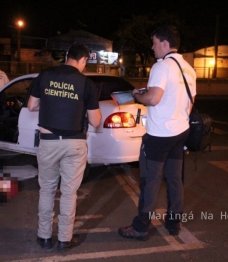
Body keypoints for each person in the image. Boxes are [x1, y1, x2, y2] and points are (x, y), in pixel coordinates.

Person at [118, 25, 196, 239]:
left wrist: (137, 95)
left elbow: (153, 99)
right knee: (174, 179)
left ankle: (140, 227)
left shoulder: (161, 67)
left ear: (164, 43)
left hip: (159, 135)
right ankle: (173, 224)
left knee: (150, 181)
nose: (152, 48)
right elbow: (189, 103)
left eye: (154, 43)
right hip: (180, 132)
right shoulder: (189, 69)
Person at [27, 42, 102, 252]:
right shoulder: (86, 84)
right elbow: (95, 121)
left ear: (67, 55)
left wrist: (51, 101)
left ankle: (43, 237)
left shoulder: (44, 75)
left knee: (47, 190)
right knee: (69, 193)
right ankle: (64, 239)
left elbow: (31, 105)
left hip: (48, 142)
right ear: (84, 60)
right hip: (74, 144)